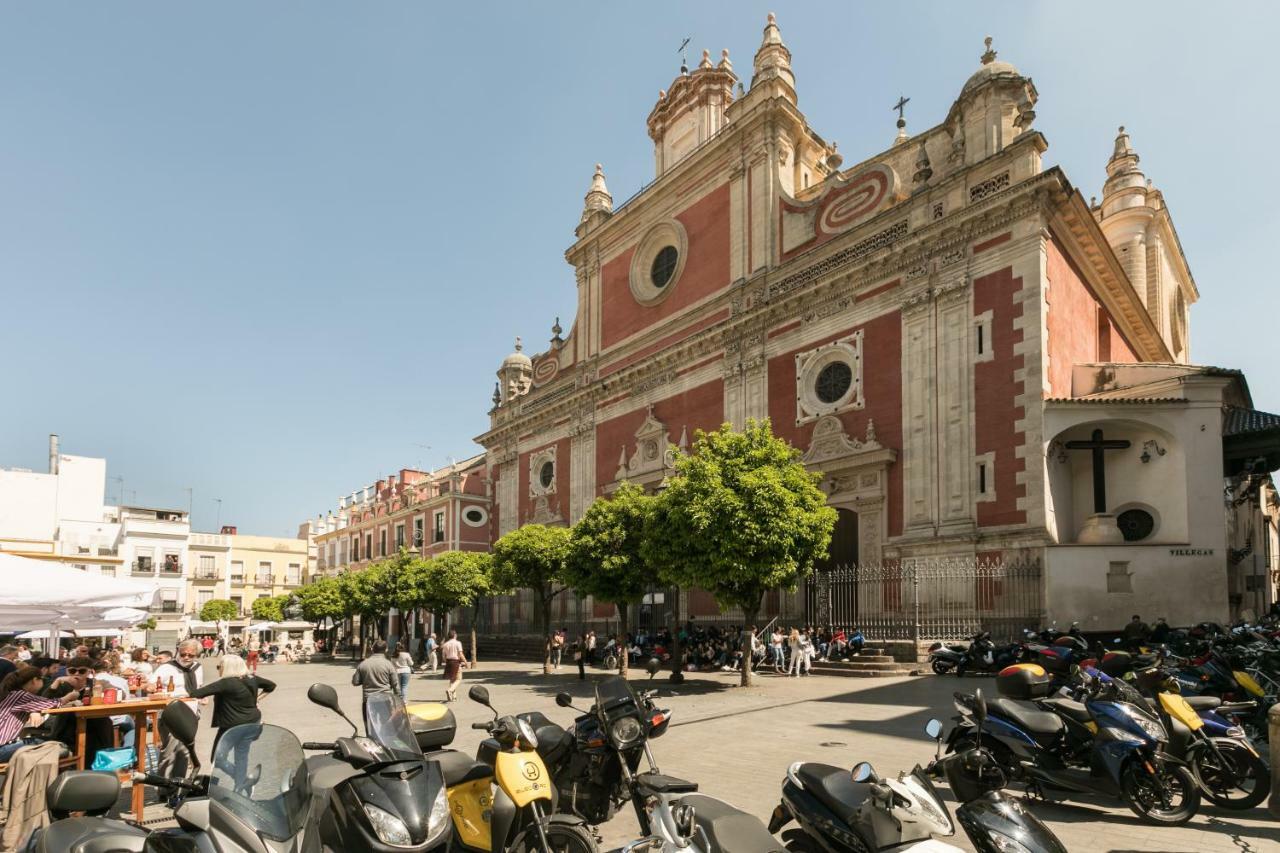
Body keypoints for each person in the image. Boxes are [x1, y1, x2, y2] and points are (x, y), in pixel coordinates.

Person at [190, 654, 275, 763]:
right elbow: (271, 686)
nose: (218, 669)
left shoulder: (225, 683)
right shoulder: (252, 678)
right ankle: (241, 779)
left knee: (217, 759)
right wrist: (257, 699)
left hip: (232, 725)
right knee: (241, 755)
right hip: (252, 720)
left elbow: (195, 693)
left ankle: (233, 775)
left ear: (227, 668)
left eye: (219, 667)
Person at [0, 665, 79, 762]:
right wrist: (71, 696)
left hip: (4, 747)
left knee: (48, 742)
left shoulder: (12, 694)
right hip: (2, 749)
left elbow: (43, 703)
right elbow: (51, 703)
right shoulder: (21, 695)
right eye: (42, 680)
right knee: (55, 744)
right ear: (34, 680)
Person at [352, 641, 399, 722]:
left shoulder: (363, 664)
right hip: (385, 699)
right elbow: (395, 685)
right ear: (386, 650)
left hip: (368, 700)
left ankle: (370, 735)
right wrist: (398, 701)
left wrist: (365, 677)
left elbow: (355, 682)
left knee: (369, 725)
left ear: (372, 649)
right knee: (386, 725)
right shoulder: (389, 664)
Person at [440, 630, 467, 702]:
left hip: (448, 662)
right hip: (456, 662)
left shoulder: (445, 644)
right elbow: (460, 654)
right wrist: (465, 662)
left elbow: (443, 656)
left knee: (452, 679)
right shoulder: (458, 643)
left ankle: (453, 697)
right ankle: (450, 690)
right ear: (455, 635)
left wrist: (446, 661)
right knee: (458, 679)